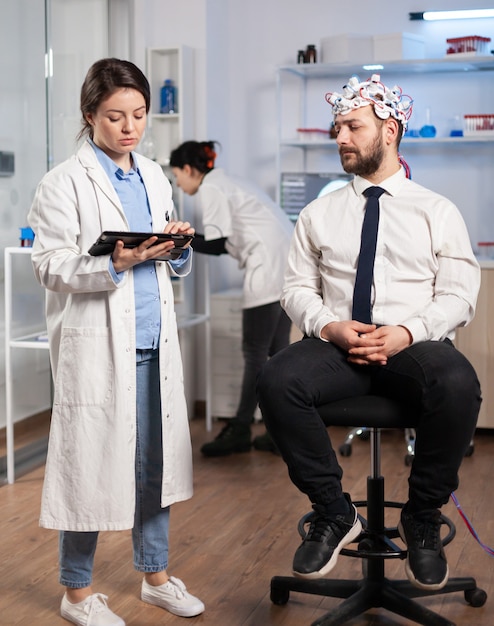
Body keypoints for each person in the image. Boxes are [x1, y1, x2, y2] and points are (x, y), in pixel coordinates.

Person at [257, 74, 481, 590]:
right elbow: (294, 289)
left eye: (353, 127)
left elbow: (458, 294)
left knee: (458, 384)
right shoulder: (319, 212)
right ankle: (335, 512)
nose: (340, 137)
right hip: (336, 346)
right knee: (276, 378)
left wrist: (408, 331)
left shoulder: (436, 210)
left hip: (413, 345)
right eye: (337, 127)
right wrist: (328, 326)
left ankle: (421, 516)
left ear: (391, 129)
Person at [28, 58, 204, 626]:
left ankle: (155, 576)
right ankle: (76, 593)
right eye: (114, 116)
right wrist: (114, 263)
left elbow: (167, 258)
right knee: (91, 463)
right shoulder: (62, 182)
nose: (129, 127)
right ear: (90, 115)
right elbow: (50, 265)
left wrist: (175, 247)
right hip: (100, 347)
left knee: (154, 464)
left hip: (154, 342)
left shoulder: (154, 176)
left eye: (138, 115)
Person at [169, 140, 294, 457]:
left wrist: (175, 240)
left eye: (177, 177)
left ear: (188, 169)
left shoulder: (212, 187)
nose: (179, 186)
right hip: (288, 267)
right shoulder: (231, 181)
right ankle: (283, 433)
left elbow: (216, 242)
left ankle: (239, 429)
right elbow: (223, 243)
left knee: (255, 352)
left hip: (266, 268)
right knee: (278, 355)